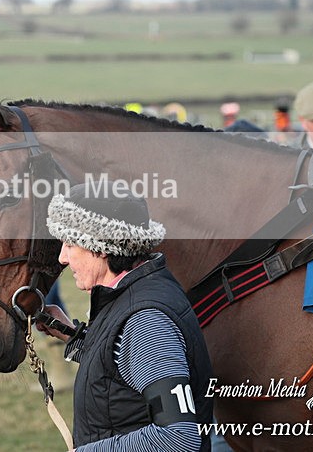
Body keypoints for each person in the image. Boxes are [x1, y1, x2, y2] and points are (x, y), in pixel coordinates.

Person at [38, 184, 213, 451]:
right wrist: (71, 334)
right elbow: (120, 377)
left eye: (70, 243)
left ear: (102, 246)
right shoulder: (139, 287)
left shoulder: (146, 322)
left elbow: (178, 438)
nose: (62, 257)